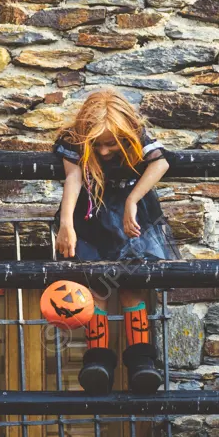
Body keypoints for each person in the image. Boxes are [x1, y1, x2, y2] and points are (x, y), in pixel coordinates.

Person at [51, 88, 182, 395]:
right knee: (95, 287)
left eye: (112, 144)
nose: (106, 151)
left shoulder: (136, 132)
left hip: (129, 218)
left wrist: (133, 200)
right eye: (97, 145)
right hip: (92, 218)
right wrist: (66, 224)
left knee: (131, 286)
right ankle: (97, 363)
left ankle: (141, 363)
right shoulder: (73, 138)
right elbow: (73, 178)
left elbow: (161, 163)